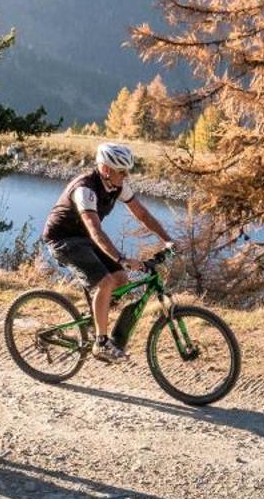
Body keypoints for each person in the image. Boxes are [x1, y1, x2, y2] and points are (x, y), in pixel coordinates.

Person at [41, 141, 174, 361]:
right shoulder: (85, 189)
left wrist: (168, 241)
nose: (126, 175)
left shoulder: (117, 185)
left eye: (127, 171)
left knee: (121, 278)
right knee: (105, 282)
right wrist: (121, 258)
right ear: (105, 170)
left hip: (84, 238)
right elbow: (95, 230)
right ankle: (101, 344)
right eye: (121, 171)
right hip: (63, 239)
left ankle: (96, 320)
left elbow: (142, 214)